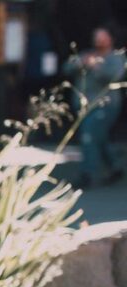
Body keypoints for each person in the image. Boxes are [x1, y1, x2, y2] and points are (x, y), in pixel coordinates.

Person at [63, 27, 126, 187]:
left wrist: (96, 66)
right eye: (96, 37)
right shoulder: (87, 54)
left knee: (89, 135)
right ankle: (115, 167)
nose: (99, 41)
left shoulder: (115, 58)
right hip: (85, 105)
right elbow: (67, 68)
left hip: (105, 105)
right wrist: (81, 62)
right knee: (99, 137)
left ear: (110, 39)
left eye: (102, 38)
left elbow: (115, 76)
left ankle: (87, 174)